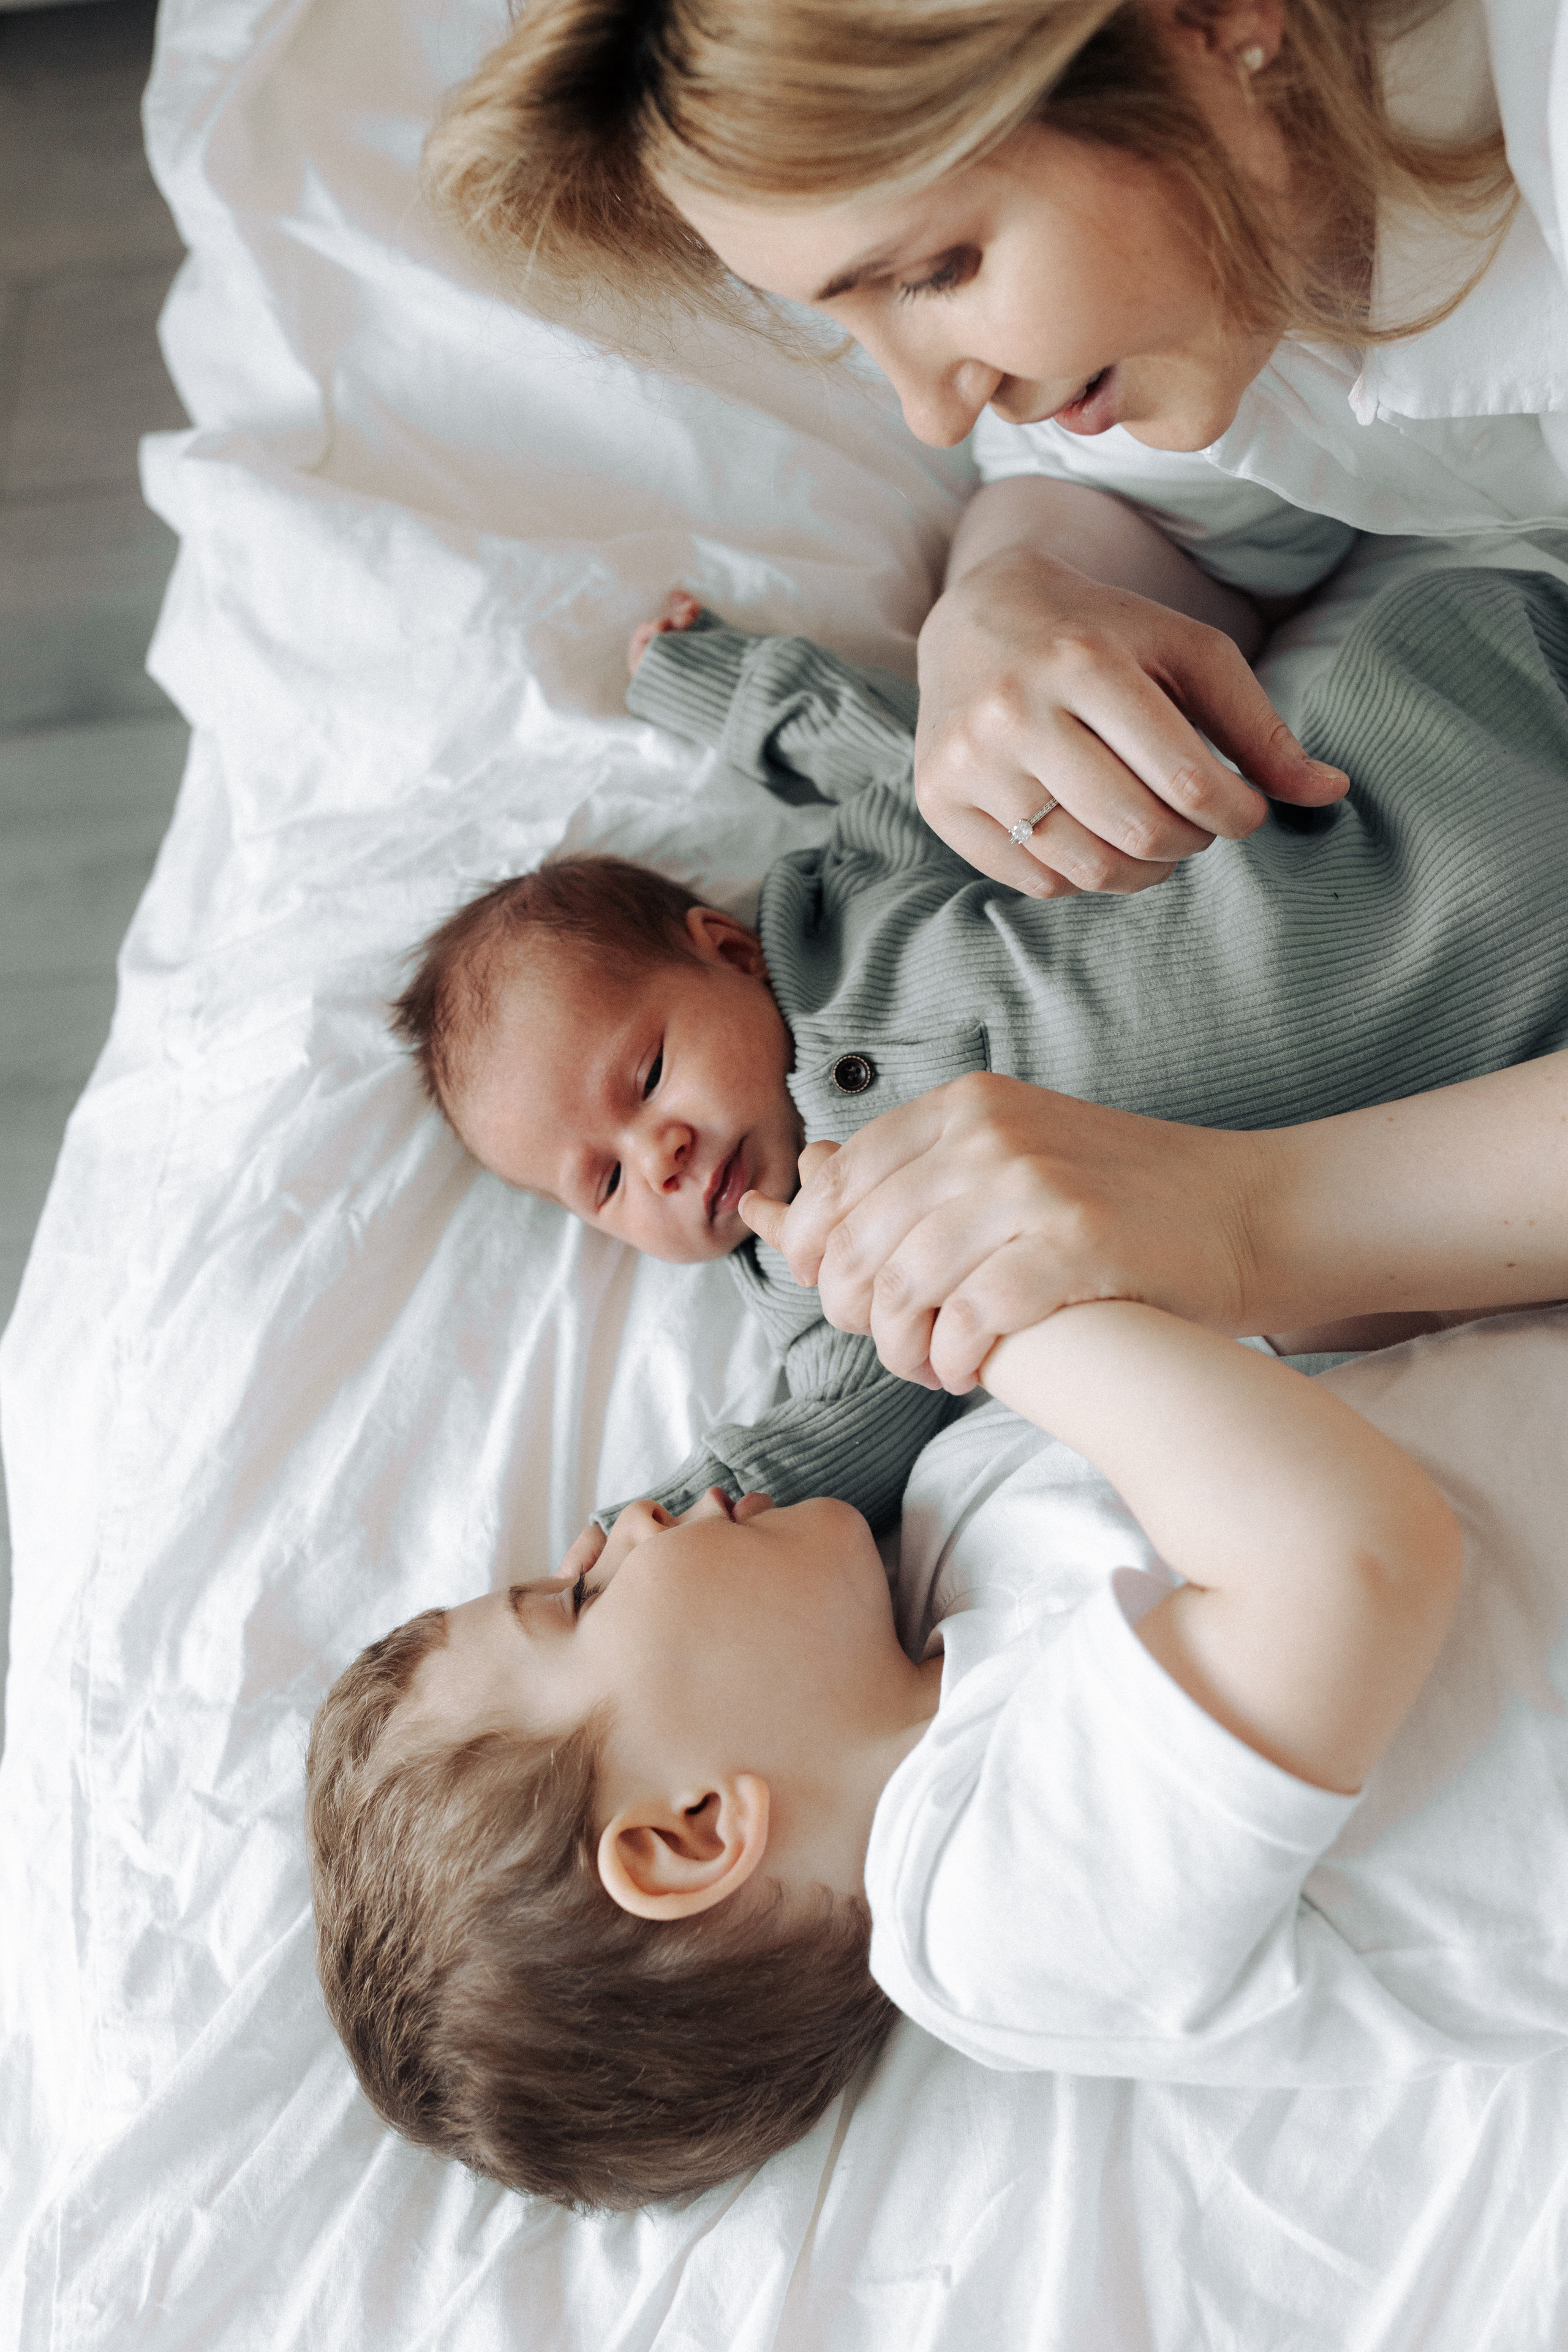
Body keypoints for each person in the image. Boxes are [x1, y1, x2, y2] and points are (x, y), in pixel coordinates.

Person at [304, 1051, 1568, 2209]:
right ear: (692, 1835)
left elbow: (1312, 1321)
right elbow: (1351, 1561)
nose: (630, 1523)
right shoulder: (994, 1932)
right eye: (578, 1600)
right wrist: (982, 1311)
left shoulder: (957, 1506)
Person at [391, 568, 1568, 1545]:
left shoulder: (848, 905)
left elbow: (906, 753)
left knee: (1464, 679)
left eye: (645, 1081)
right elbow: (845, 1432)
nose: (657, 1158)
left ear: (725, 950)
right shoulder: (834, 1275)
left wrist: (727, 686)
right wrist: (682, 1517)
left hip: (1368, 834)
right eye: (600, 1183)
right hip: (1488, 1083)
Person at [421, 0, 1568, 896]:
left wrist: (1248, 1202)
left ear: (1215, 20)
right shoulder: (1229, 257)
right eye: (845, 320)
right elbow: (1143, 507)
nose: (935, 413)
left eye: (934, 273)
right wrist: (1004, 602)